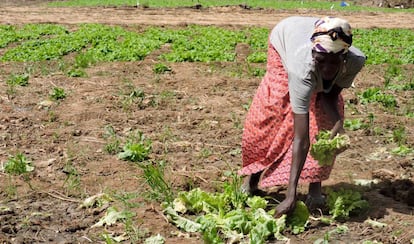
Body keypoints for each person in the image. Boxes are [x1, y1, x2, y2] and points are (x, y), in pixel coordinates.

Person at [239, 16, 366, 217]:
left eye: (334, 63)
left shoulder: (354, 62)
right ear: (314, 53)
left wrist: (338, 124)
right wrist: (291, 195)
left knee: (324, 121)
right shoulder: (301, 68)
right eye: (322, 61)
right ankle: (253, 180)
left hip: (314, 45)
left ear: (344, 57)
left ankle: (315, 189)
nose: (327, 69)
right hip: (285, 39)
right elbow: (301, 138)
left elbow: (329, 96)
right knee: (274, 113)